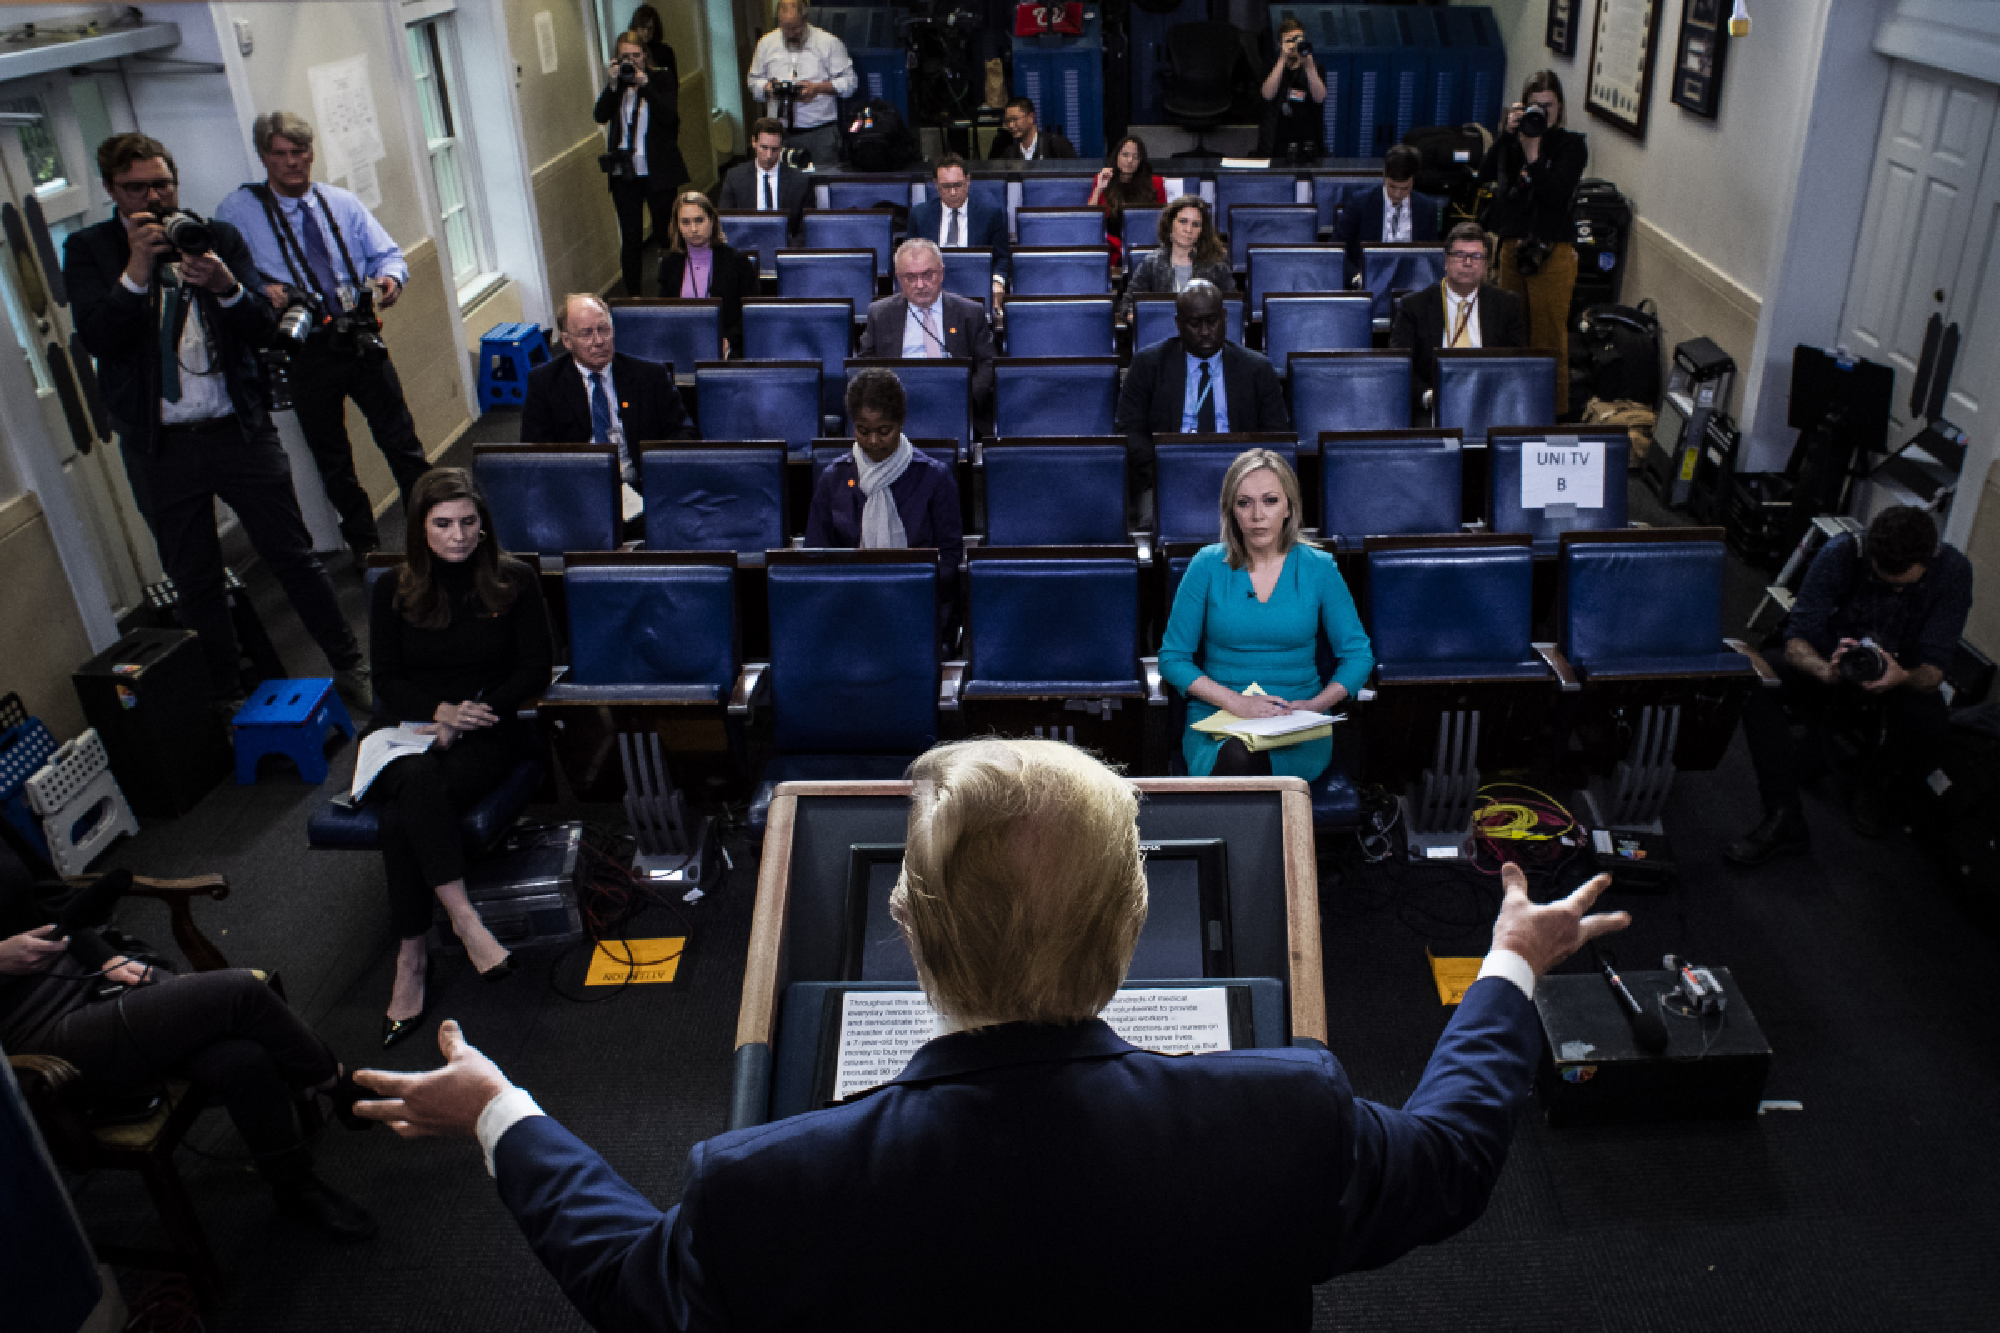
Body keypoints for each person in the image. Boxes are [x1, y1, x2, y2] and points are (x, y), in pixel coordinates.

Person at [352, 737, 1631, 1327]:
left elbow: (634, 1280)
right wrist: (1509, 964)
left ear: (906, 929)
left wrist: (500, 1115)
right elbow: (1450, 1155)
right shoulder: (1283, 1118)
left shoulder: (764, 1187)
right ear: (1129, 929)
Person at [66, 133, 370, 715]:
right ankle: (228, 698)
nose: (153, 198)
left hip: (238, 429)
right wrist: (135, 271)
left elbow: (263, 329)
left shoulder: (213, 238)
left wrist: (226, 287)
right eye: (136, 188)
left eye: (162, 183)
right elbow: (100, 337)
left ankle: (349, 662)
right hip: (161, 445)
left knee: (293, 554)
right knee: (195, 576)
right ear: (111, 192)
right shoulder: (90, 250)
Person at [1, 870, 376, 1240]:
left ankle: (295, 1187)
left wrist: (105, 958)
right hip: (32, 1030)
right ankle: (341, 1085)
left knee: (242, 1057)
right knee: (240, 993)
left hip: (82, 973)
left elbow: (51, 900)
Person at [368, 469, 552, 1048]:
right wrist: (438, 712)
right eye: (443, 524)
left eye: (468, 522)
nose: (458, 536)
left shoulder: (515, 579)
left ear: (483, 523)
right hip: (407, 731)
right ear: (421, 529)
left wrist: (471, 711)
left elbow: (534, 668)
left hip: (487, 730)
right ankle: (465, 919)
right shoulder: (391, 590)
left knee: (404, 813)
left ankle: (411, 958)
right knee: (415, 777)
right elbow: (387, 679)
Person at [214, 111, 430, 562]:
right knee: (333, 457)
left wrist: (390, 279)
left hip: (359, 335)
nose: (293, 163)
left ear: (312, 154)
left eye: (300, 153)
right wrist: (259, 287)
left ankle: (430, 527)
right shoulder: (240, 211)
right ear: (264, 157)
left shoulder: (340, 203)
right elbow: (226, 271)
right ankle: (364, 543)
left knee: (401, 440)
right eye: (281, 154)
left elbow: (388, 253)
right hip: (306, 349)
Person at [1726, 505, 1973, 863]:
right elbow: (1797, 639)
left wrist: (1901, 675)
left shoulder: (1951, 572)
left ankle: (1874, 782)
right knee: (1755, 678)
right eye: (1883, 579)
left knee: (1931, 722)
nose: (1892, 588)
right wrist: (1825, 669)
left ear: (1929, 559)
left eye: (1902, 584)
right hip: (1831, 665)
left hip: (1897, 677)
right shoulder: (1841, 553)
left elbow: (1934, 669)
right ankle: (1784, 815)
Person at [1159, 449, 1373, 780]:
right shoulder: (1206, 565)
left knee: (1246, 768)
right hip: (1220, 717)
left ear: (1289, 507)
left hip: (1297, 721)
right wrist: (1237, 704)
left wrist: (1314, 705)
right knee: (1236, 755)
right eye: (1245, 503)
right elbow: (1172, 659)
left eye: (1270, 500)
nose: (1258, 515)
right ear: (1231, 510)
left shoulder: (1319, 568)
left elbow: (1358, 656)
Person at [1117, 281, 1288, 517]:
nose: (1206, 331)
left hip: (1243, 482)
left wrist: (1246, 477)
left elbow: (1275, 435)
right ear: (1178, 324)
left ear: (1225, 317)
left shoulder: (1256, 369)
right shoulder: (1149, 365)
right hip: (1167, 480)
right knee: (1154, 520)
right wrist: (1165, 471)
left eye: (1212, 321)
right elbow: (1130, 431)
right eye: (1195, 324)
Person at [804, 368, 963, 609]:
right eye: (863, 431)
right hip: (847, 604)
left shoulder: (934, 478)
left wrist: (903, 590)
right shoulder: (834, 479)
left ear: (900, 424)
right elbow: (815, 557)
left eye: (884, 431)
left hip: (917, 603)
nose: (873, 441)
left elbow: (950, 559)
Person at [1478, 70, 1588, 416]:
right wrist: (1506, 136)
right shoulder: (1513, 141)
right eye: (1534, 106)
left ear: (1560, 108)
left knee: (1548, 339)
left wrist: (1534, 154)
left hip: (1552, 252)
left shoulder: (1571, 146)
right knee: (1514, 334)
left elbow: (1555, 196)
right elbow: (1484, 177)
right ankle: (1514, 407)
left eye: (1548, 106)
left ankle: (1551, 415)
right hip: (1513, 248)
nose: (1541, 112)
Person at [518, 294, 691, 485]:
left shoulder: (650, 376)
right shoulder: (545, 383)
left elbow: (684, 433)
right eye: (587, 333)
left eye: (604, 330)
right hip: (578, 488)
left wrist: (658, 471)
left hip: (641, 485)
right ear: (566, 341)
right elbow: (534, 453)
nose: (599, 341)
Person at [593, 30, 690, 298]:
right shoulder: (618, 87)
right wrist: (613, 86)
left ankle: (671, 291)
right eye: (625, 57)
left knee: (665, 234)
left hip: (658, 170)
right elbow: (600, 116)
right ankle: (633, 296)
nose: (632, 62)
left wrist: (645, 84)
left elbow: (670, 117)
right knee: (631, 238)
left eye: (636, 56)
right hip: (625, 172)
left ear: (645, 56)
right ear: (616, 58)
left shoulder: (662, 79)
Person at [857, 239, 998, 420]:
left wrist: (965, 401)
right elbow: (864, 365)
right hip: (897, 407)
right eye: (910, 277)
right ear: (899, 278)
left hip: (955, 405)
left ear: (941, 273)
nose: (920, 284)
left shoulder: (969, 313)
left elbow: (988, 363)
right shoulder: (880, 314)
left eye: (928, 274)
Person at [1388, 222, 1529, 403]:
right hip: (1434, 403)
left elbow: (1516, 365)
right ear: (1446, 261)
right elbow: (1401, 366)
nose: (1468, 263)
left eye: (1476, 256)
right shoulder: (1414, 306)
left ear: (1486, 264)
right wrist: (1429, 396)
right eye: (1460, 255)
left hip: (1490, 402)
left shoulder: (1507, 305)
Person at [746, 0, 856, 166]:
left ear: (805, 20)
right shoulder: (766, 44)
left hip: (819, 133)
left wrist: (817, 88)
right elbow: (753, 81)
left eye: (795, 28)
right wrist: (767, 88)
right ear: (779, 20)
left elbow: (850, 82)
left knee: (822, 185)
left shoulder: (828, 43)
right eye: (785, 27)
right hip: (779, 134)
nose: (790, 33)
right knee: (782, 187)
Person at [656, 191, 757, 359]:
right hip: (682, 345)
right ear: (678, 226)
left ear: (712, 220)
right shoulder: (670, 264)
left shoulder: (736, 261)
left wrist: (729, 340)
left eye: (699, 220)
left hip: (727, 348)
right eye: (686, 222)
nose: (694, 229)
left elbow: (750, 313)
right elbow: (664, 315)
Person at [907, 154, 1010, 308]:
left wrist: (997, 281)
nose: (953, 192)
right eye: (947, 187)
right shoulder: (920, 215)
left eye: (958, 185)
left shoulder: (990, 214)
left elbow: (1002, 258)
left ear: (968, 181)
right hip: (932, 290)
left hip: (975, 289)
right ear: (936, 184)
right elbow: (911, 258)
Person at [1118, 194, 1235, 323]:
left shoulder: (1217, 264)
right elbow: (1127, 305)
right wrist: (1144, 321)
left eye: (1195, 224)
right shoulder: (1152, 262)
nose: (1188, 229)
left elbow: (1233, 307)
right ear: (1170, 224)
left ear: (1202, 230)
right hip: (1162, 333)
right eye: (1183, 221)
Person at [1334, 143, 1443, 274]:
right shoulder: (1360, 203)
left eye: (1405, 188)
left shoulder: (1427, 207)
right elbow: (1336, 249)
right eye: (1392, 186)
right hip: (1368, 277)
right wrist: (1356, 278)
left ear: (1413, 180)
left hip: (1411, 280)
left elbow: (1432, 255)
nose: (1397, 194)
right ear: (1384, 174)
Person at [713, 117, 812, 238]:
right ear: (753, 142)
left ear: (781, 147)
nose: (769, 155)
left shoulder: (800, 181)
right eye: (764, 148)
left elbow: (807, 229)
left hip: (785, 247)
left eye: (774, 149)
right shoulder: (734, 177)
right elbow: (725, 222)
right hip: (745, 245)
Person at [1087, 134, 1167, 264]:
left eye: (1136, 157)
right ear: (1116, 157)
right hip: (1112, 247)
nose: (1130, 160)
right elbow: (1090, 219)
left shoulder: (1155, 183)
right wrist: (1099, 188)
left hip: (1144, 245)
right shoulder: (1103, 179)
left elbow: (1163, 220)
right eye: (1125, 155)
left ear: (1141, 161)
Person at [1257, 18, 1327, 160]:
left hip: (1308, 141)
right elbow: (1267, 95)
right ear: (1279, 44)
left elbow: (1320, 98)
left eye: (1298, 40)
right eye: (1289, 40)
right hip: (1276, 142)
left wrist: (1309, 65)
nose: (1294, 45)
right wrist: (1282, 59)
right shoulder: (1270, 69)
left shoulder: (1315, 68)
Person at [990, 97, 1076, 161]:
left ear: (1031, 117)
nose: (1011, 125)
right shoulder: (1010, 153)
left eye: (1015, 119)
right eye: (1008, 121)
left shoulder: (1057, 145)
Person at [625, 3, 674, 72]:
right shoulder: (627, 52)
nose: (646, 32)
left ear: (655, 29)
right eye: (642, 27)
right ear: (636, 28)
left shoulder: (665, 52)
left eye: (650, 28)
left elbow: (672, 80)